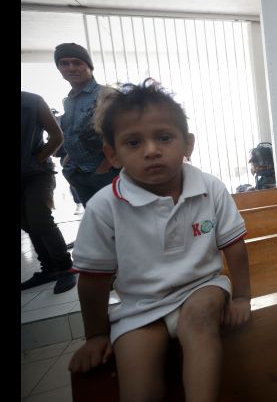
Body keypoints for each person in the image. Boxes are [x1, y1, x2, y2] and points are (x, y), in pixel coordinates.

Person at [68, 80, 252, 401]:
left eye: (164, 138)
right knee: (139, 380)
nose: (151, 150)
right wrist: (95, 335)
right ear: (113, 154)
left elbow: (234, 247)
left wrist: (242, 297)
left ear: (187, 144)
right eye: (133, 142)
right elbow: (93, 281)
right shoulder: (104, 206)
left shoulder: (210, 188)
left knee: (200, 318)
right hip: (139, 306)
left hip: (201, 286)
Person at [21, 91, 77, 294]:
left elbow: (57, 136)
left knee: (40, 219)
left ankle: (65, 268)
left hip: (37, 173)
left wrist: (37, 159)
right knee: (26, 223)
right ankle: (49, 268)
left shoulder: (32, 101)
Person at [55, 43, 121, 205]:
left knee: (120, 219)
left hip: (106, 174)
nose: (71, 68)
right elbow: (73, 134)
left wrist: (104, 168)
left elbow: (124, 134)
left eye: (77, 62)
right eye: (64, 63)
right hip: (77, 174)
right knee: (96, 219)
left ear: (89, 66)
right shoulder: (69, 101)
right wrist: (68, 161)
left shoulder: (107, 95)